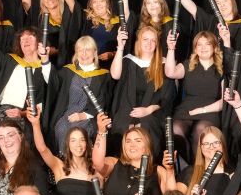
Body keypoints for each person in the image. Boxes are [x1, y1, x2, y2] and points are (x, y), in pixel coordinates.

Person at [0, 27, 50, 145]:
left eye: (30, 37)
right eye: (22, 39)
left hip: (25, 114)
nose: (26, 41)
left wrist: (22, 113)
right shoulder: (10, 61)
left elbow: (42, 104)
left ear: (39, 42)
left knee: (14, 136)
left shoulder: (45, 70)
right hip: (2, 109)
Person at [109, 25, 174, 153]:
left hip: (153, 111)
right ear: (139, 42)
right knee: (122, 124)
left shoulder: (164, 64)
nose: (149, 43)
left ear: (157, 44)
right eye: (145, 39)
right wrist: (120, 47)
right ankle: (123, 165)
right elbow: (115, 75)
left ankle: (147, 165)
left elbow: (167, 97)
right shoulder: (128, 60)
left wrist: (149, 109)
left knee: (146, 125)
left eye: (153, 40)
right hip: (127, 107)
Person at [27, 112, 96, 195]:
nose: (78, 145)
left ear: (87, 144)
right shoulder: (59, 166)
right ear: (68, 144)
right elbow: (42, 149)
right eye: (73, 140)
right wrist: (35, 124)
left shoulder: (96, 171)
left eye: (82, 140)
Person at [44, 35, 111, 152]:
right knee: (61, 128)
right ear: (76, 53)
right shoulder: (67, 71)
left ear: (95, 52)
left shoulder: (103, 75)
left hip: (89, 118)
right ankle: (63, 163)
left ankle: (80, 165)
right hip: (66, 114)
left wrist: (83, 115)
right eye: (80, 50)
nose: (84, 54)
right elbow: (51, 82)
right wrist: (45, 59)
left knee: (76, 133)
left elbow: (104, 101)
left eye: (88, 50)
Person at [166, 29, 225, 158]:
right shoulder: (188, 65)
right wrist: (171, 49)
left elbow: (223, 101)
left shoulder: (222, 68)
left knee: (201, 131)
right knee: (176, 129)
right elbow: (170, 73)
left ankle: (199, 169)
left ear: (214, 47)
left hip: (210, 111)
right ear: (195, 48)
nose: (203, 48)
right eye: (199, 44)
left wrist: (201, 110)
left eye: (207, 44)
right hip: (186, 110)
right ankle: (186, 169)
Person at [94, 121, 160, 195]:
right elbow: (97, 163)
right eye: (128, 141)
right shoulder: (114, 164)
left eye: (138, 141)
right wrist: (101, 132)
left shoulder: (158, 171)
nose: (132, 145)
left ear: (147, 144)